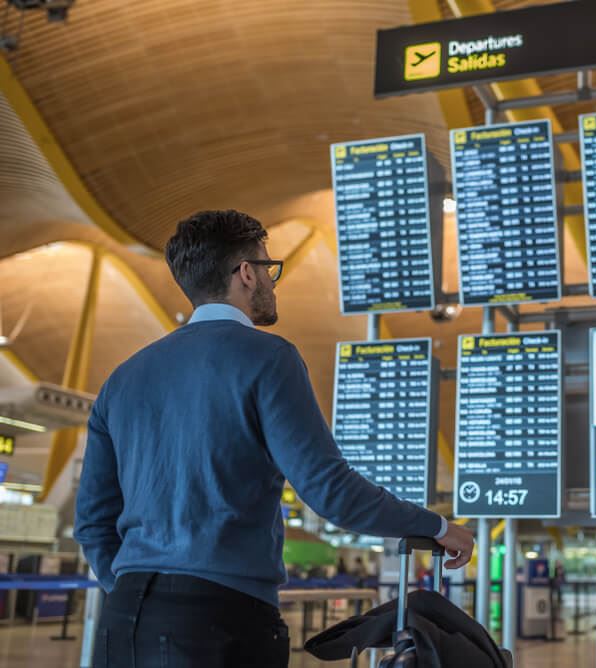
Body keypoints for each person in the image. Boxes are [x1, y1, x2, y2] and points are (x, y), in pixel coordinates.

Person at [74, 210, 474, 668]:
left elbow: (91, 522)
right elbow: (331, 491)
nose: (272, 280)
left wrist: (131, 588)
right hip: (219, 618)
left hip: (121, 619)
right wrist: (437, 527)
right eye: (268, 267)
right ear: (246, 274)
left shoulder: (122, 379)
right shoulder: (269, 358)